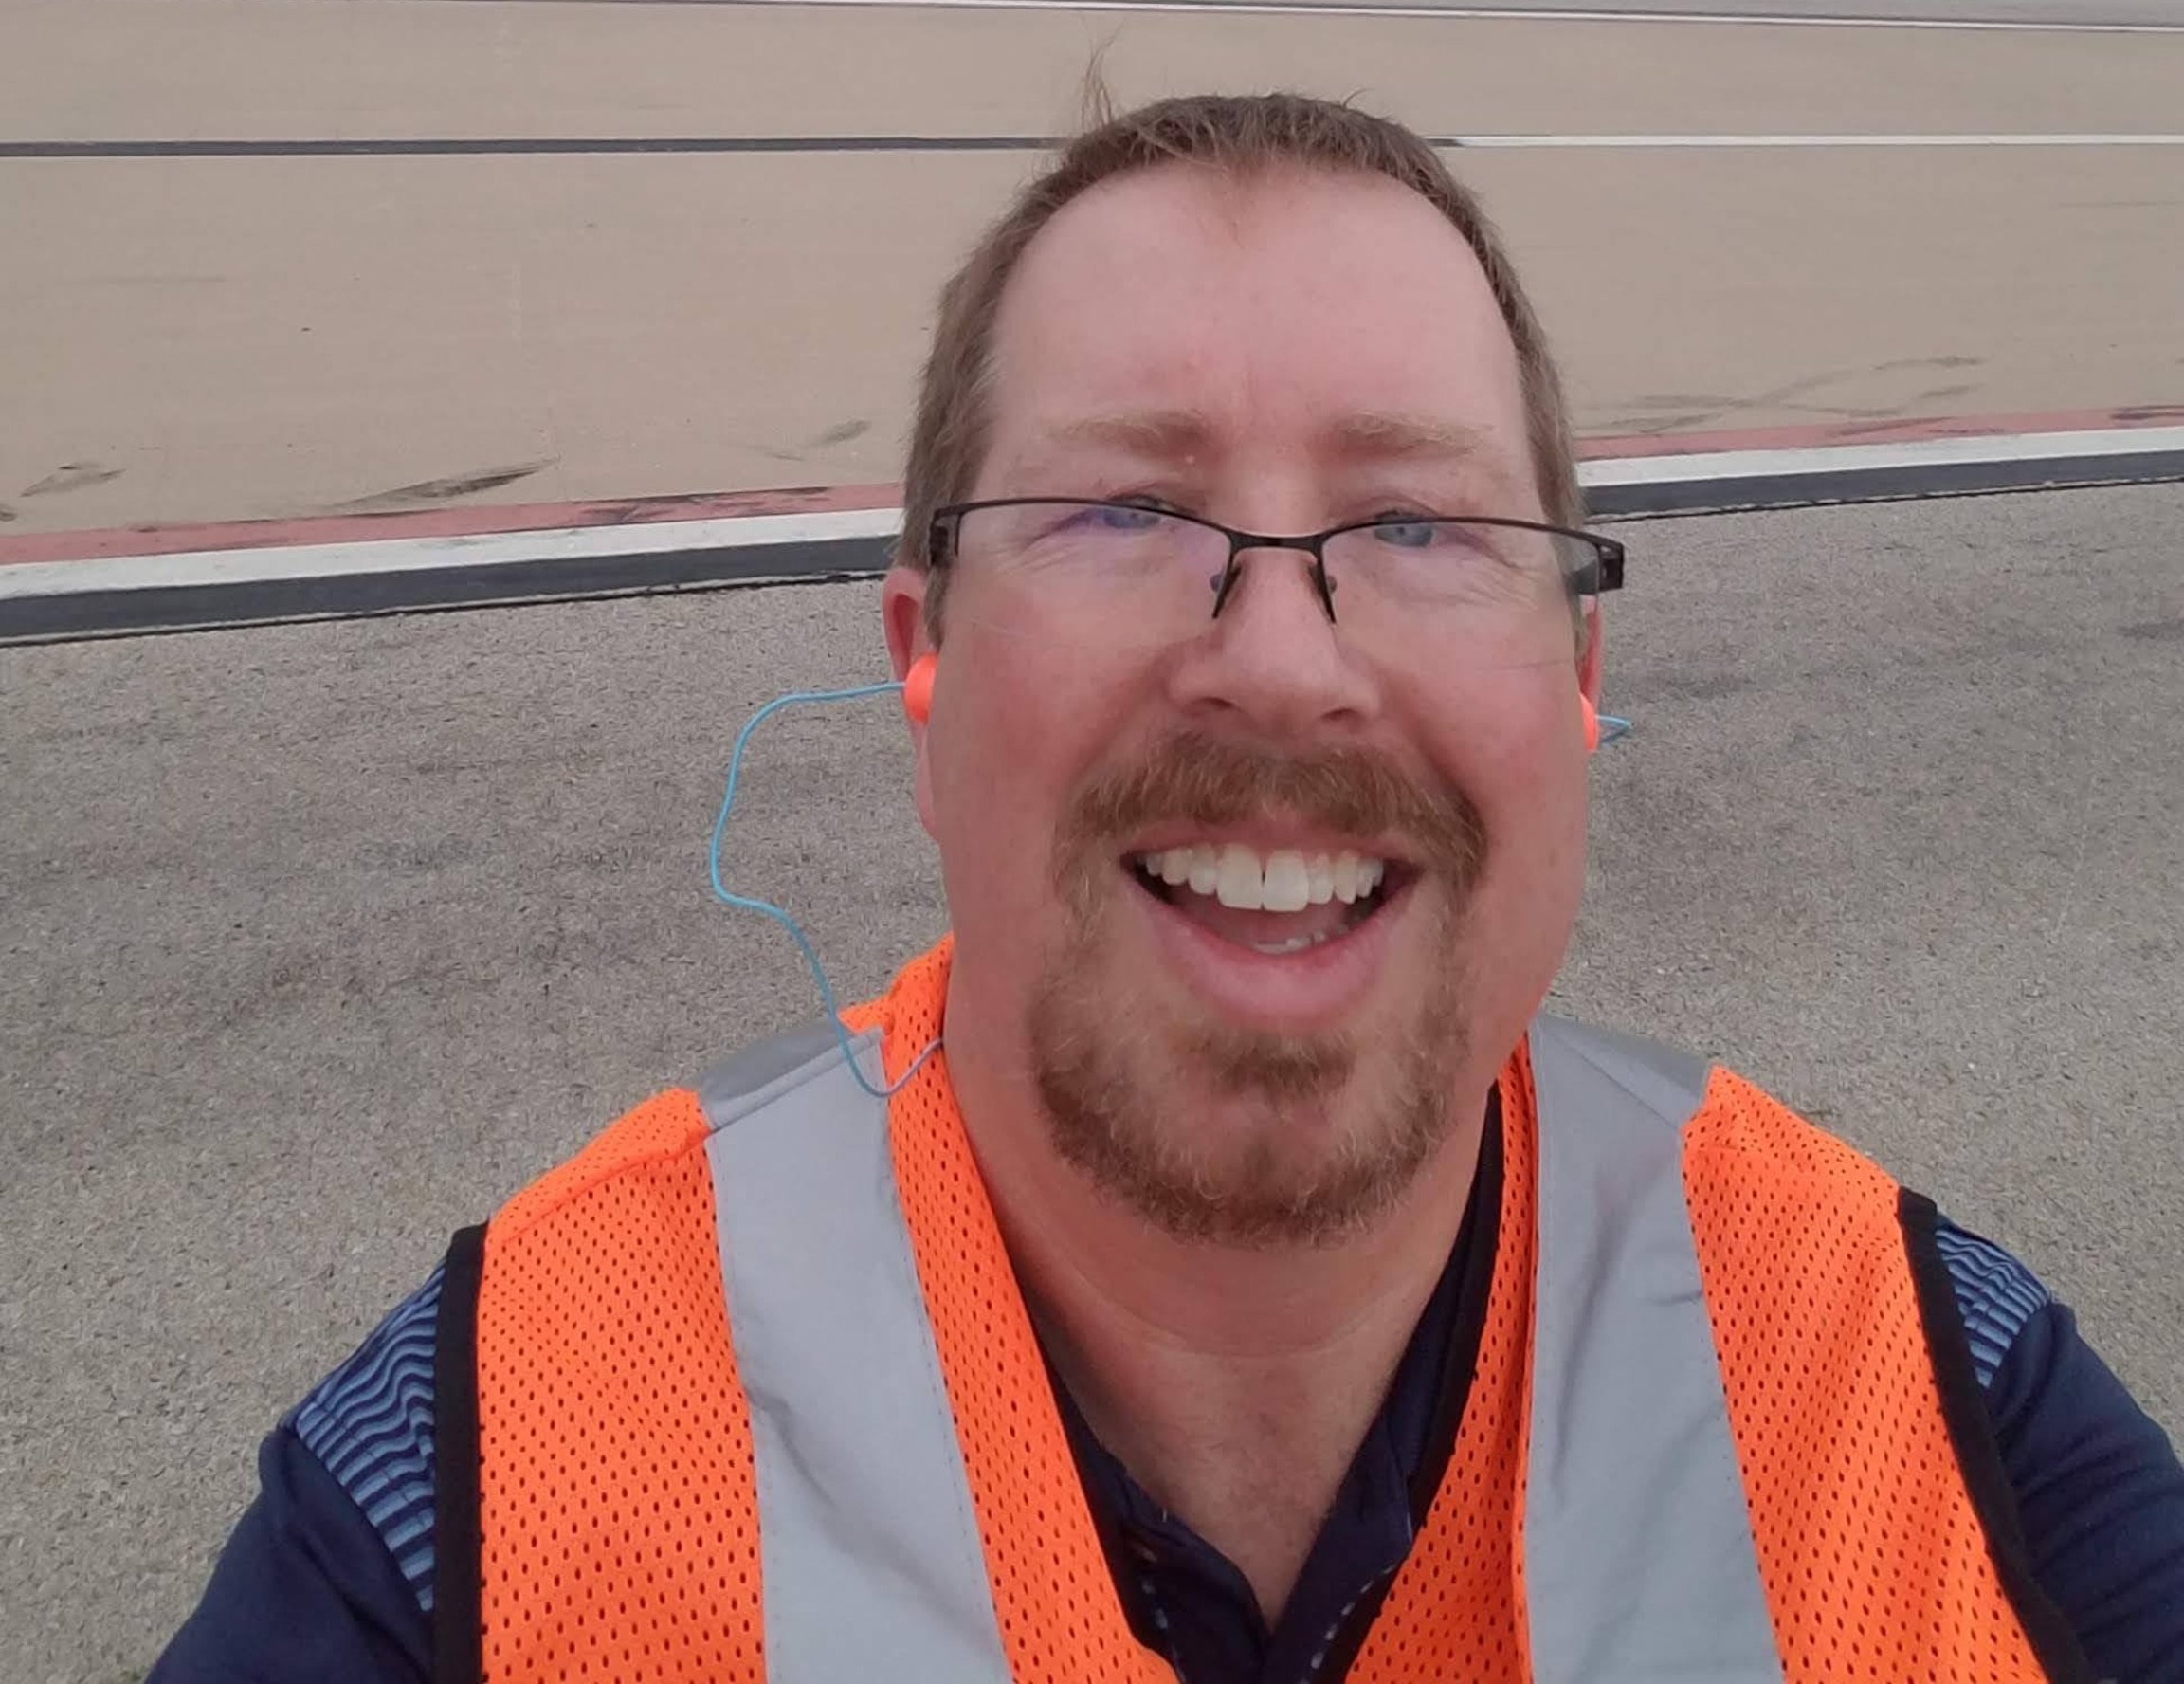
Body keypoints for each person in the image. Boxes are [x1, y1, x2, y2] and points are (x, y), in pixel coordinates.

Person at [156, 90, 2182, 1681]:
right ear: (917, 665)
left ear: (1580, 683)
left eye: (1417, 520)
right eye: (1126, 506)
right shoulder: (490, 1482)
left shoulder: (1934, 1398)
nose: (1285, 661)